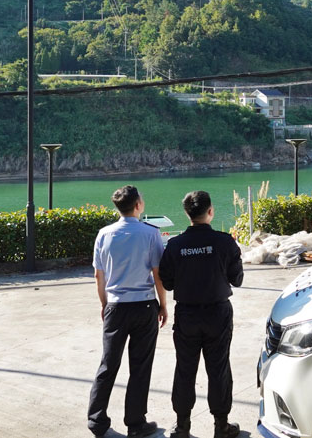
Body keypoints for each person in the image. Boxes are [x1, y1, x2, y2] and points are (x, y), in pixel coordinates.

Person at [159, 190, 244, 438]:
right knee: (218, 368)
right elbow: (237, 279)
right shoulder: (225, 242)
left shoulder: (175, 245)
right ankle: (221, 426)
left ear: (187, 214)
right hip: (218, 314)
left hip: (186, 315)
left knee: (185, 368)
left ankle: (182, 426)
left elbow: (168, 281)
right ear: (210, 211)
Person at [87, 185, 167, 438]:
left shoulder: (104, 234)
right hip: (144, 306)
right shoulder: (150, 234)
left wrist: (104, 304)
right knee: (140, 366)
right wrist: (163, 304)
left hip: (115, 306)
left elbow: (98, 276)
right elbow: (158, 274)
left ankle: (96, 420)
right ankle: (135, 423)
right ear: (138, 205)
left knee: (108, 364)